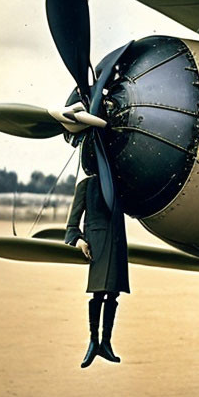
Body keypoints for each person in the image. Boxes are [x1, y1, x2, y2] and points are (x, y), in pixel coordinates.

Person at [64, 141, 130, 367]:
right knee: (99, 294)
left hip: (117, 243)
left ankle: (106, 343)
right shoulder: (85, 186)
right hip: (98, 245)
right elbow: (72, 225)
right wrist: (79, 241)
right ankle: (94, 341)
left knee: (113, 294)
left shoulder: (120, 185)